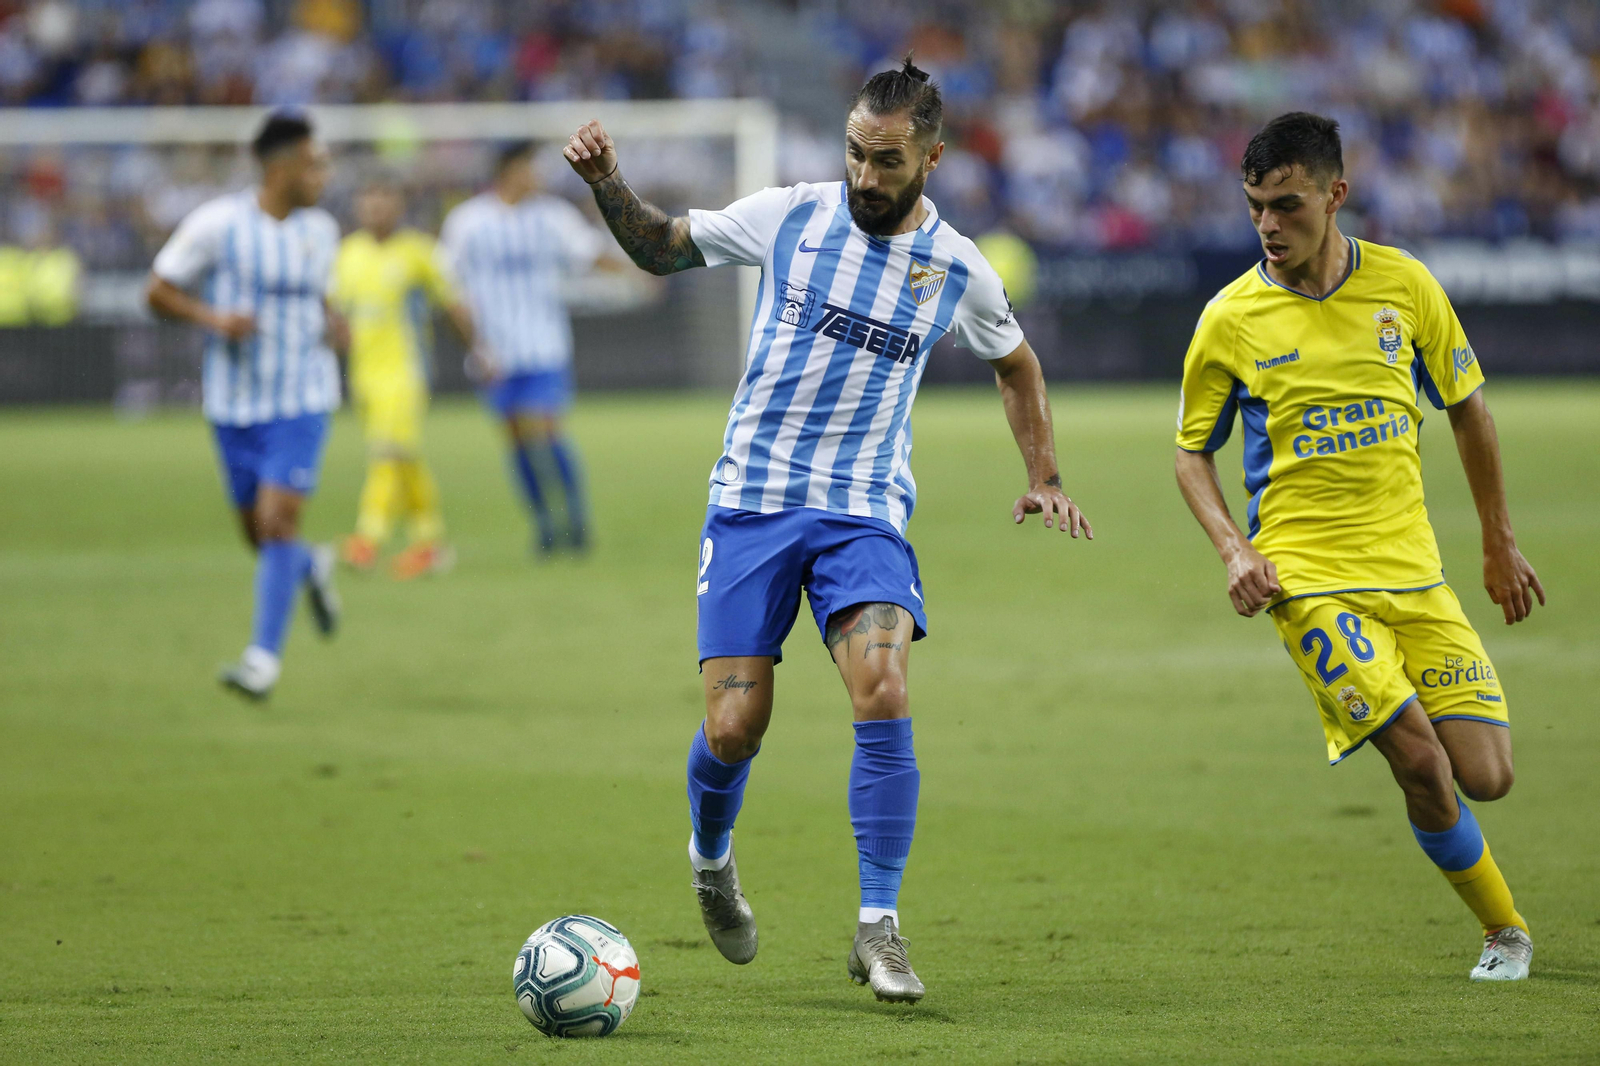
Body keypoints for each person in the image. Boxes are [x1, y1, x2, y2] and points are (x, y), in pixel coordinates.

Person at [562, 57, 1093, 1003]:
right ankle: (710, 858)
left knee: (883, 688)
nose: (864, 176)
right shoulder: (791, 215)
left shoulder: (956, 269)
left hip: (862, 511)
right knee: (735, 726)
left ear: (930, 158)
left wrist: (1043, 476)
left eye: (887, 161)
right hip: (753, 503)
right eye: (855, 153)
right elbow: (659, 247)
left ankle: (878, 928)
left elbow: (1018, 364)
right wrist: (608, 182)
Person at [1173, 112, 1544, 981]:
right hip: (1306, 581)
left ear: (1336, 194)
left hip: (1416, 574)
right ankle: (1505, 932)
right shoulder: (1230, 318)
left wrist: (1497, 541)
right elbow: (1192, 452)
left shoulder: (1406, 287)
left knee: (1485, 776)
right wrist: (1235, 549)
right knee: (1419, 760)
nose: (1269, 225)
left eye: (1288, 204)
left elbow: (1469, 408)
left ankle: (1474, 870)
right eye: (1256, 206)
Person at [146, 112, 344, 700]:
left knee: (278, 521)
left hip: (302, 398)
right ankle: (310, 568)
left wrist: (337, 325)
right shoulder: (218, 225)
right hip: (235, 404)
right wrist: (214, 320)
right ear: (280, 168)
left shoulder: (324, 231)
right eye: (314, 164)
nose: (323, 175)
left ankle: (262, 661)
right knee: (259, 536)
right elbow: (157, 291)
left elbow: (322, 299)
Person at [440, 141, 607, 555]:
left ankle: (576, 519)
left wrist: (645, 271)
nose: (537, 177)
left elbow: (592, 253)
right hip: (495, 354)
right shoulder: (467, 221)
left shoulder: (553, 217)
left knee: (545, 430)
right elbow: (449, 287)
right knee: (516, 440)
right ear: (508, 171)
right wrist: (476, 344)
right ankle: (546, 525)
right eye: (529, 168)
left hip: (544, 347)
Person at [333, 172, 475, 579]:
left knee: (388, 453)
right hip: (364, 375)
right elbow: (336, 314)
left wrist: (478, 350)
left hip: (406, 371)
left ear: (399, 205)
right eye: (368, 198)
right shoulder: (348, 254)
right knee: (404, 457)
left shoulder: (419, 252)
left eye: (384, 198)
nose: (376, 207)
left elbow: (453, 303)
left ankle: (367, 539)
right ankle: (430, 544)